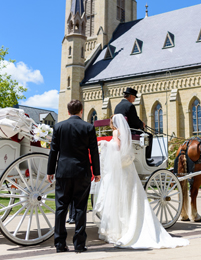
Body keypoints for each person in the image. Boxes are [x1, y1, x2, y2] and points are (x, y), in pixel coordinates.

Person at [94, 114, 189, 249]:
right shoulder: (124, 132)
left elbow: (117, 146)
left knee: (120, 198)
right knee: (131, 197)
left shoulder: (116, 132)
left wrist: (104, 144)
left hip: (121, 167)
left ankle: (120, 228)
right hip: (128, 167)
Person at [47, 100, 101, 253]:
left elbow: (53, 151)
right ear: (81, 111)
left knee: (61, 208)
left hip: (63, 172)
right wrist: (97, 172)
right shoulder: (89, 127)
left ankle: (59, 244)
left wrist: (50, 171)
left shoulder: (58, 127)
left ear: (68, 111)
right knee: (80, 208)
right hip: (81, 172)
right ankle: (79, 244)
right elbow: (93, 152)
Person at [113, 87, 153, 164]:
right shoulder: (130, 106)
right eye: (134, 97)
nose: (134, 100)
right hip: (129, 131)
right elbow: (134, 121)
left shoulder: (117, 106)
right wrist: (142, 124)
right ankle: (147, 158)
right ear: (131, 96)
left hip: (119, 131)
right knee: (149, 136)